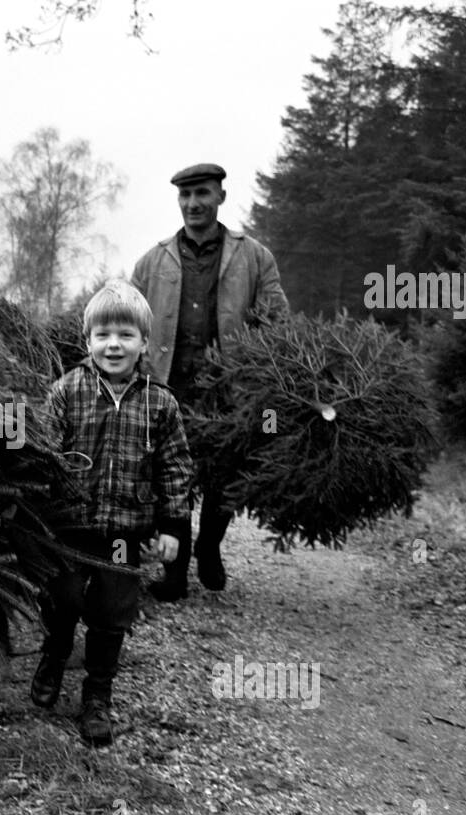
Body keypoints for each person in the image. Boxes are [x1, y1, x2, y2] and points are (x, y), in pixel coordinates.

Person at [31, 279, 193, 746]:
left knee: (112, 612)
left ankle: (97, 696)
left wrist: (172, 525)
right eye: (102, 335)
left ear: (144, 342)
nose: (113, 345)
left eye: (125, 335)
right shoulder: (66, 392)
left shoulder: (160, 402)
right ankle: (55, 650)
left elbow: (176, 467)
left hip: (125, 530)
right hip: (69, 526)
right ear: (88, 342)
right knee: (61, 596)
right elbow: (44, 455)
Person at [131, 163, 289, 597]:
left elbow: (276, 322)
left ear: (220, 195)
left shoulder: (254, 257)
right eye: (185, 196)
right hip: (169, 390)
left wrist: (265, 377)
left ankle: (211, 546)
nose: (193, 204)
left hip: (229, 391)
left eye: (201, 193)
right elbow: (130, 325)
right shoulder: (152, 261)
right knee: (172, 477)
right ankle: (175, 572)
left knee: (224, 474)